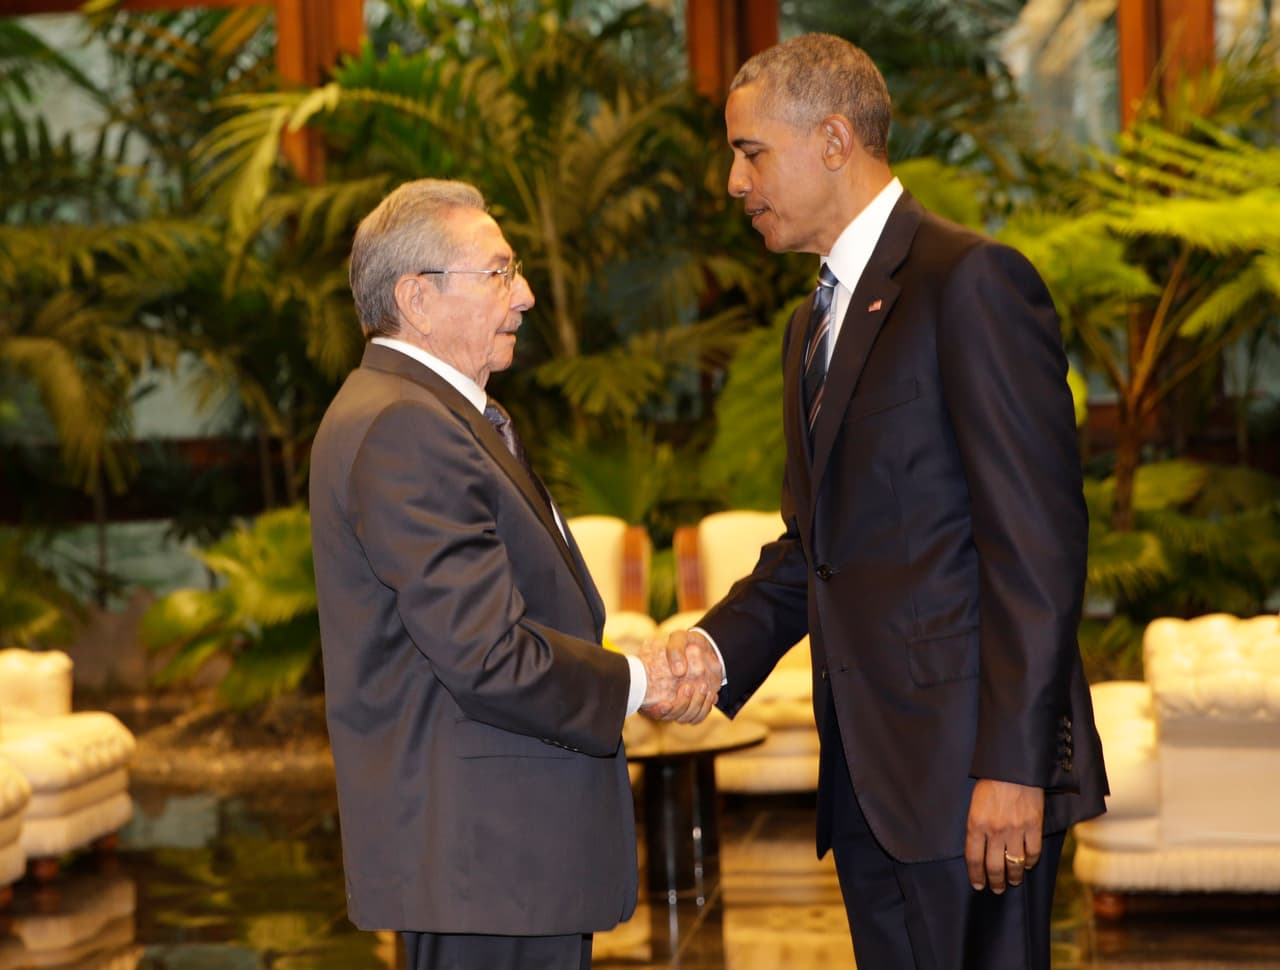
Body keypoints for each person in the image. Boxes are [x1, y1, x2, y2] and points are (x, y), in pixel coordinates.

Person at [660, 33, 1108, 969]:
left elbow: (1037, 548)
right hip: (869, 786)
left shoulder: (971, 283)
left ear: (833, 139)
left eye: (749, 153)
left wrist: (1015, 768)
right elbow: (813, 547)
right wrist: (710, 649)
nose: (734, 183)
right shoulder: (809, 324)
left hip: (972, 782)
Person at [309, 178, 720, 970]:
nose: (525, 296)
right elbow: (487, 654)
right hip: (483, 858)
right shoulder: (406, 426)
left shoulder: (437, 413)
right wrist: (641, 682)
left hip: (498, 860)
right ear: (416, 297)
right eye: (497, 273)